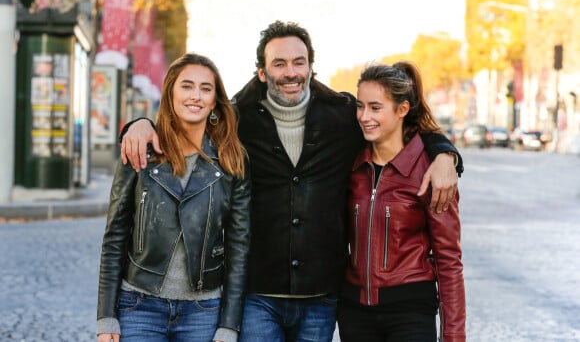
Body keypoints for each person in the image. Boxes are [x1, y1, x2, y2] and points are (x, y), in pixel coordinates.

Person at [119, 21, 463, 342]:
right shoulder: (236, 119)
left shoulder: (345, 115)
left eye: (299, 62)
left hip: (322, 294)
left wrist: (445, 152)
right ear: (262, 72)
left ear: (311, 68)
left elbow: (399, 126)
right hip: (258, 292)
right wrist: (138, 124)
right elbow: (186, 120)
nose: (291, 72)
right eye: (279, 64)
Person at [97, 53, 251, 342]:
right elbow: (114, 236)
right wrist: (106, 319)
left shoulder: (232, 160)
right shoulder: (139, 151)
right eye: (187, 86)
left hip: (204, 310)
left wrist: (229, 325)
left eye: (206, 89)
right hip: (139, 306)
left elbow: (239, 247)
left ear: (215, 101)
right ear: (170, 92)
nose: (196, 96)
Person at [337, 62, 465, 342]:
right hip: (355, 313)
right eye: (360, 106)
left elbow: (449, 261)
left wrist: (454, 335)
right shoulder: (352, 163)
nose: (364, 116)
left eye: (375, 107)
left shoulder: (431, 171)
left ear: (402, 109)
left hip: (410, 313)